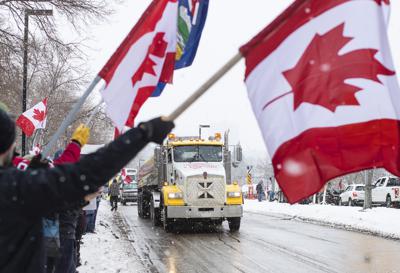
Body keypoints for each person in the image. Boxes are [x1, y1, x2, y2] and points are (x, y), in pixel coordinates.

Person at [0, 107, 174, 273]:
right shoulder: (14, 186)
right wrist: (143, 133)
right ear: (8, 145)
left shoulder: (17, 185)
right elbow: (86, 172)